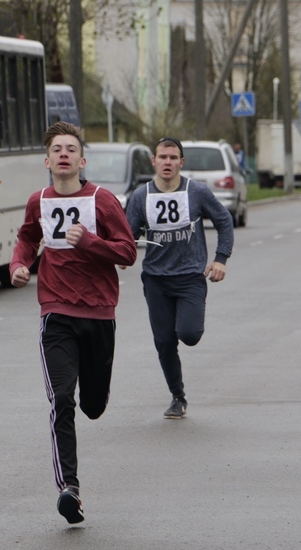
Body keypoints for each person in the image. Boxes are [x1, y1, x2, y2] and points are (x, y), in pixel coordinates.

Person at [9, 121, 137, 524]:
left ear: (82, 160)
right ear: (47, 160)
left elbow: (128, 252)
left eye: (71, 149)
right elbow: (27, 238)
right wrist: (19, 264)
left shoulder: (102, 199)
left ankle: (95, 399)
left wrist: (90, 242)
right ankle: (70, 489)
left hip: (99, 314)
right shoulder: (38, 200)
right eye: (57, 149)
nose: (64, 154)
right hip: (57, 312)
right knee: (61, 398)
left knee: (93, 406)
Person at [125, 137, 234, 419]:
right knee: (164, 342)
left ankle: (181, 325)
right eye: (163, 157)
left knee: (189, 334)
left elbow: (224, 220)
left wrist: (221, 259)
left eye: (173, 158)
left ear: (181, 162)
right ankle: (178, 396)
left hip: (189, 278)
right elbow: (128, 235)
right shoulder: (141, 196)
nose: (168, 163)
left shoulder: (196, 191)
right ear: (154, 161)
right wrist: (120, 254)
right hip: (156, 280)